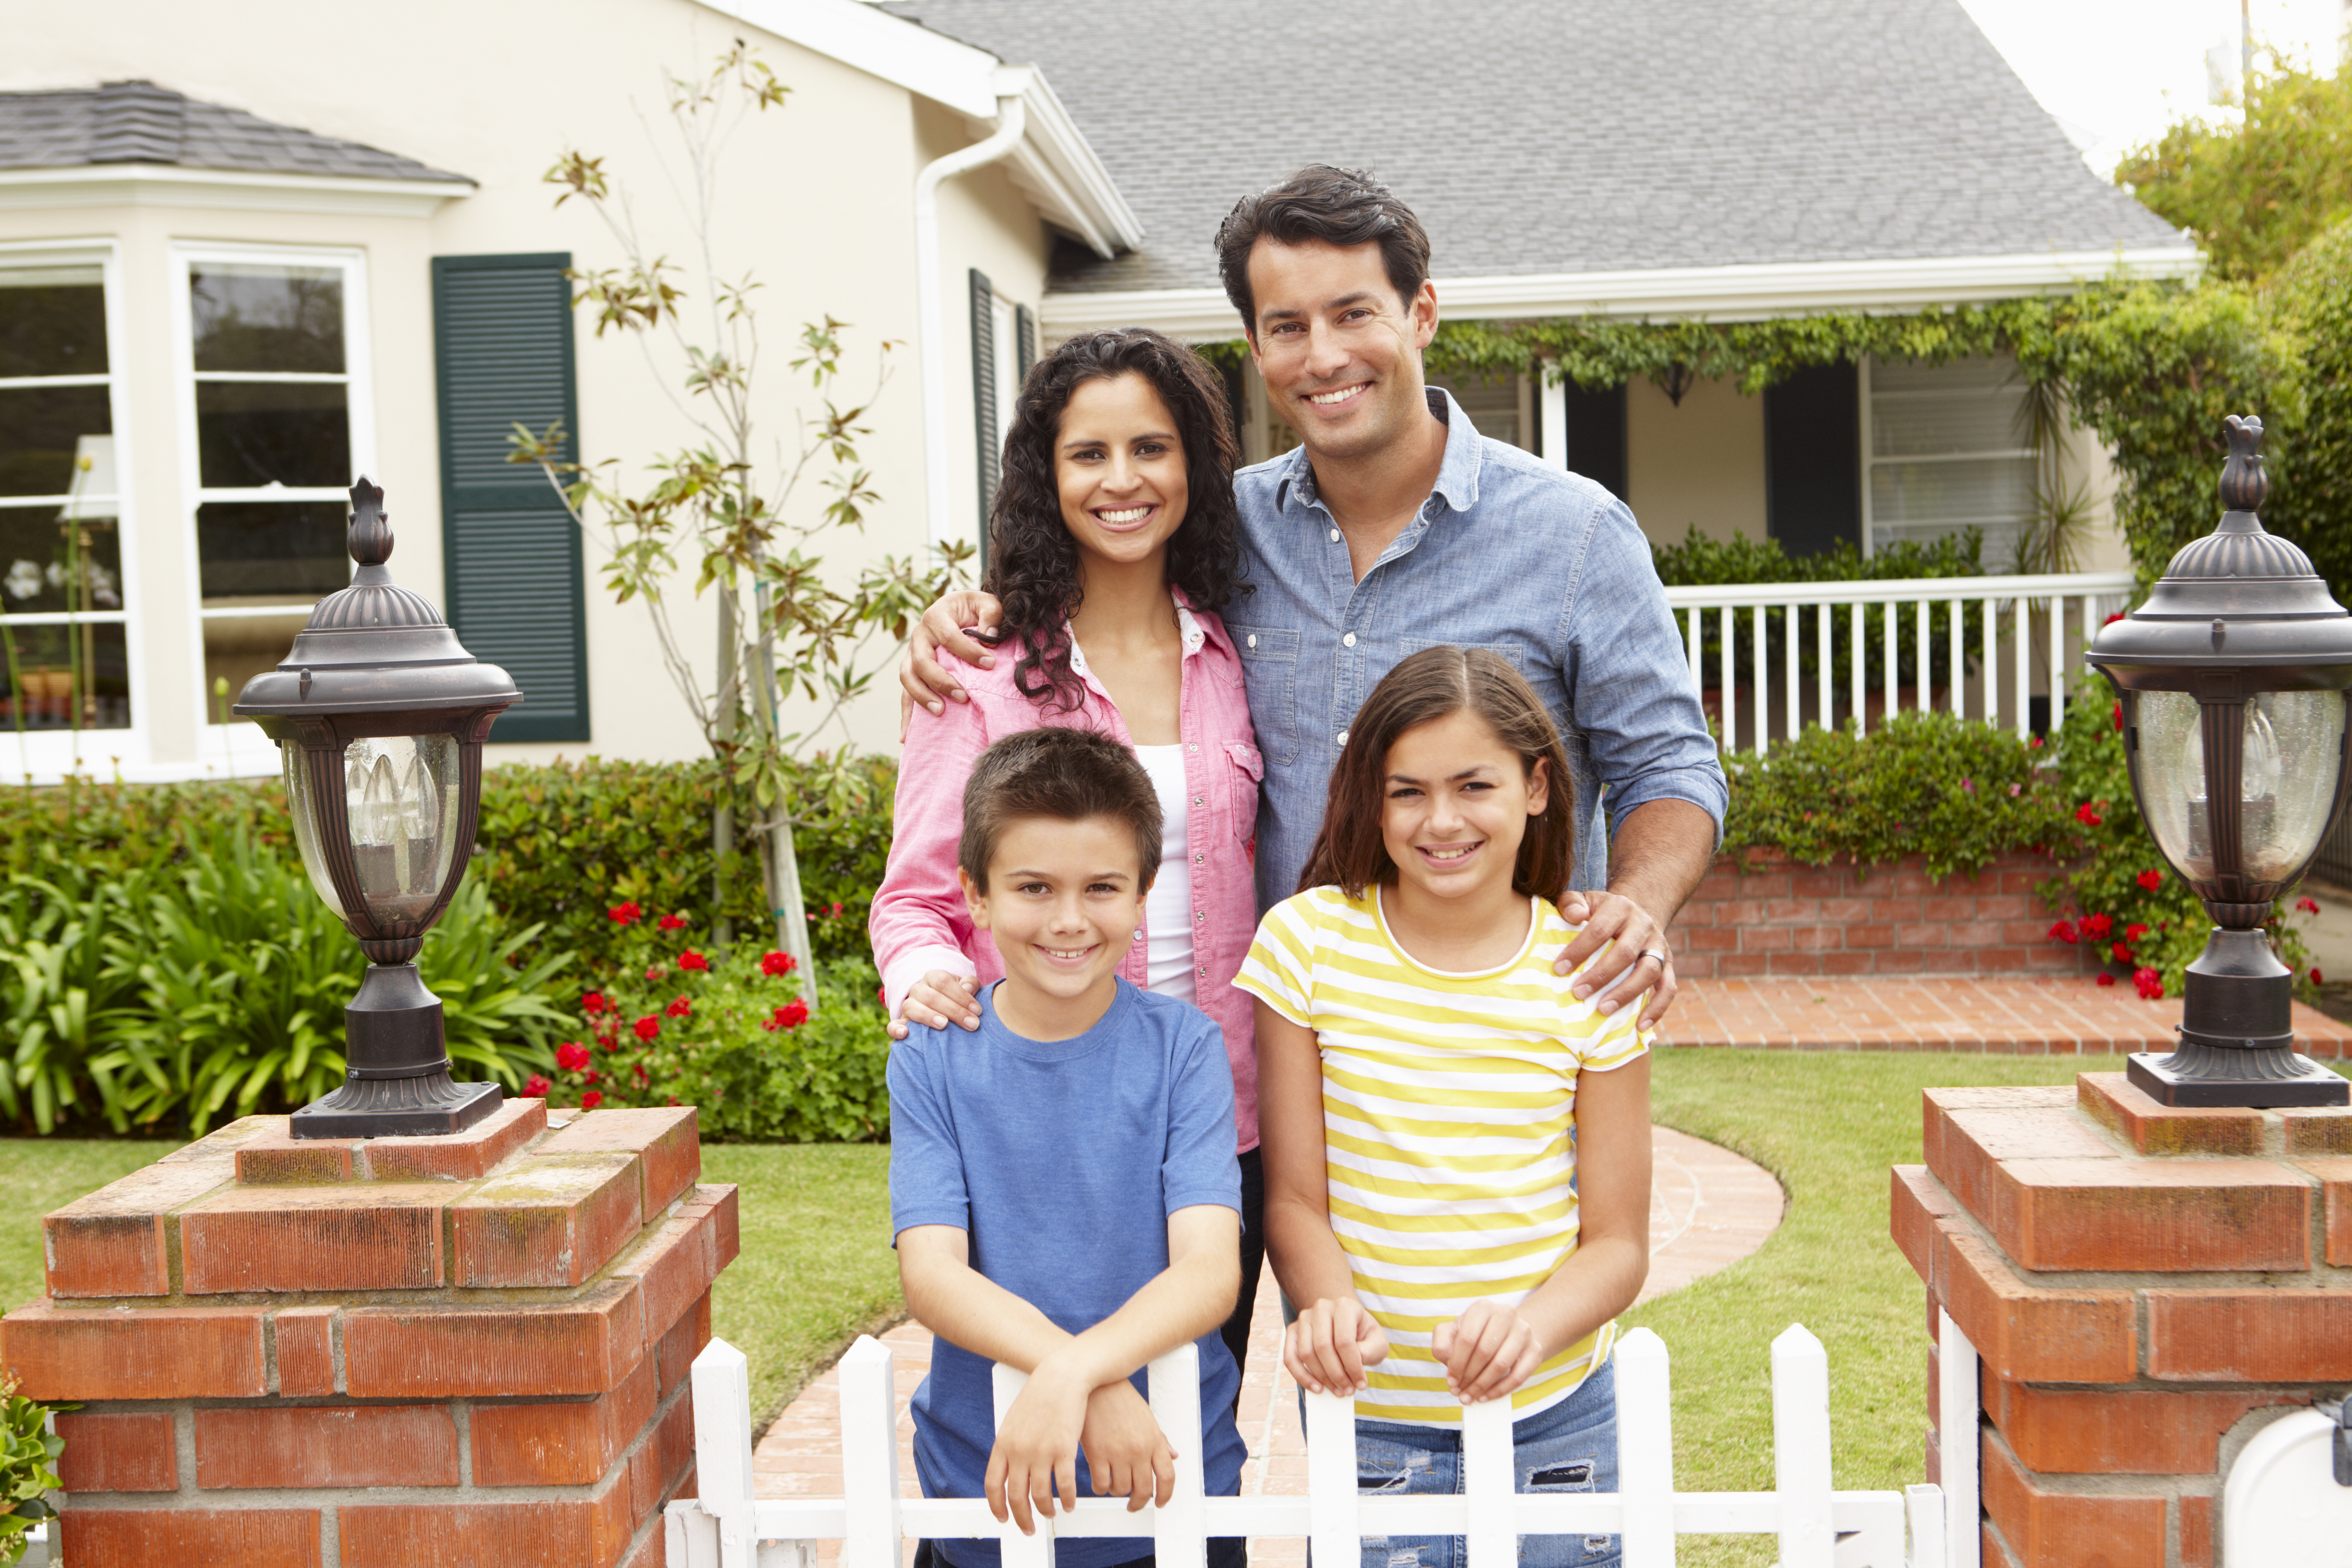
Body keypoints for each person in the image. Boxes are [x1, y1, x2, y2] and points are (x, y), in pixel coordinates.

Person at [900, 165, 1725, 1036]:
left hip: (1500, 1045)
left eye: (1354, 313)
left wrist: (1637, 906)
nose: (1324, 356)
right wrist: (968, 616)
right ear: (1257, 351)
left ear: (1423, 314)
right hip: (1283, 1049)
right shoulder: (1222, 530)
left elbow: (1669, 767)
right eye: (1288, 327)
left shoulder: (1576, 536)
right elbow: (1097, 564)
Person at [871, 327, 1270, 1388]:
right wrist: (930, 990)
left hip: (1222, 1110)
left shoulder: (1239, 647)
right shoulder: (981, 670)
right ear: (1047, 478)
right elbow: (913, 899)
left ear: (1193, 462)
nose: (1123, 480)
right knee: (1034, 1425)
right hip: (1044, 1120)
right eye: (1088, 454)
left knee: (1194, 1424)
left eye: (1151, 447)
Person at [1238, 647, 1652, 1568]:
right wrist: (1333, 1308)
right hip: (1375, 1423)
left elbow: (1619, 1243)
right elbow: (1296, 1201)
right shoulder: (1306, 945)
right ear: (1371, 799)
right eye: (1408, 792)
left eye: (1475, 786)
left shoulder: (1588, 971)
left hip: (1556, 1419)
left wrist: (1531, 1331)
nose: (1442, 821)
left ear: (1537, 785)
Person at [890, 726, 1249, 1568]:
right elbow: (932, 1273)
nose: (1068, 920)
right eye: (1033, 887)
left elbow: (1209, 1270)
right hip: (985, 1489)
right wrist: (1078, 1376)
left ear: (1142, 894)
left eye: (1100, 888)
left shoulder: (1185, 1049)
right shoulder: (932, 1057)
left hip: (1170, 1477)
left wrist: (1071, 1375)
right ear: (975, 894)